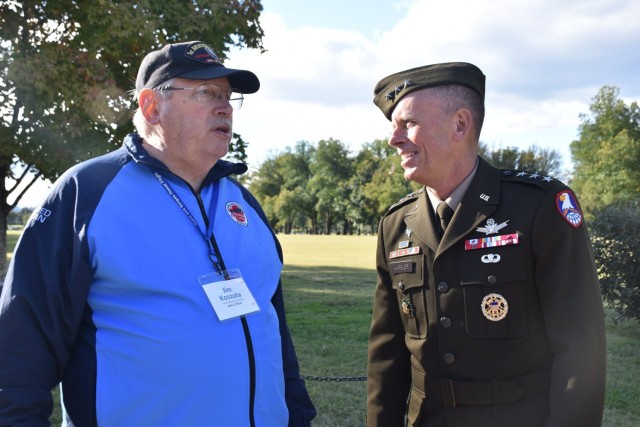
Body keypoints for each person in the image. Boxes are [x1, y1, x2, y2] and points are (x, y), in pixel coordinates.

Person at [0, 40, 316, 426]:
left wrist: (298, 416)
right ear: (151, 106)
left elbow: (274, 333)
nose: (225, 108)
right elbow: (21, 346)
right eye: (206, 93)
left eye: (228, 97)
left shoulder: (244, 203)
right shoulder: (87, 192)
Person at [366, 62, 606, 427]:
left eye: (408, 124)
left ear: (460, 124)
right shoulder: (396, 225)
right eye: (393, 126)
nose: (393, 138)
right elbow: (387, 353)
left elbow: (580, 351)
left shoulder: (538, 207)